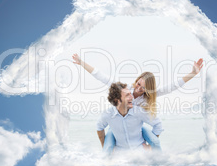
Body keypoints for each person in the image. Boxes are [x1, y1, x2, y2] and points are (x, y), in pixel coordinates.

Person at [73, 53, 203, 152]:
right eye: (139, 84)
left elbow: (173, 86)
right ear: (137, 80)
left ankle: (157, 164)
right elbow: (100, 76)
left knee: (154, 142)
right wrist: (81, 62)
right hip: (118, 123)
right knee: (108, 148)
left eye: (144, 88)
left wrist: (192, 73)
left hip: (137, 127)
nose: (139, 89)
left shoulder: (147, 97)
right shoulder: (125, 89)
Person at [97, 82, 164, 153]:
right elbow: (99, 127)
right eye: (127, 95)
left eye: (130, 94)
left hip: (140, 151)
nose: (132, 97)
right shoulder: (108, 114)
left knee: (155, 144)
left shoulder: (139, 112)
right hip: (120, 153)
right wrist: (104, 145)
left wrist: (150, 146)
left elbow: (158, 124)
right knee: (106, 153)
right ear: (117, 100)